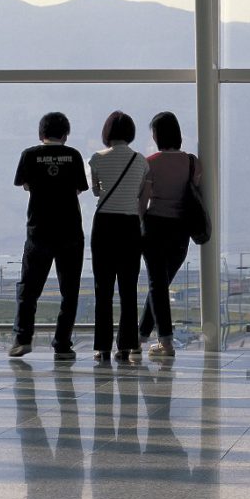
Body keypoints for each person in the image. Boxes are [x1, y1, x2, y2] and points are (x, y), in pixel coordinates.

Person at [9, 111, 87, 360]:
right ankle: (62, 343)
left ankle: (23, 338)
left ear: (40, 133)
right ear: (66, 134)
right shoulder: (73, 155)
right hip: (70, 231)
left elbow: (25, 184)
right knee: (70, 291)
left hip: (38, 231)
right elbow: (79, 189)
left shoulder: (29, 155)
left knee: (29, 289)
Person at [137, 110, 199, 357]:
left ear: (156, 135)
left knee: (157, 285)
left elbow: (142, 203)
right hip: (181, 231)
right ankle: (139, 337)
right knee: (160, 285)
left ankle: (166, 341)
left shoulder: (150, 164)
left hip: (154, 228)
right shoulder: (192, 162)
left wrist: (140, 223)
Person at [87, 111, 146, 363]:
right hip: (130, 224)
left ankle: (102, 347)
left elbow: (96, 192)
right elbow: (139, 192)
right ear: (130, 132)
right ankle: (126, 346)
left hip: (104, 224)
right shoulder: (140, 160)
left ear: (107, 132)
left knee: (104, 289)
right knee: (128, 288)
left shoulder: (96, 159)